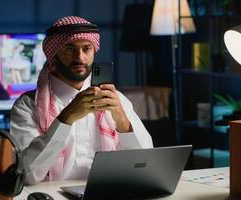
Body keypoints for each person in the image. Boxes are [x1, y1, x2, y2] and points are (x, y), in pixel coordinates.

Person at [10, 16, 153, 185]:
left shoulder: (116, 100)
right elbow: (27, 175)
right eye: (69, 49)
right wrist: (65, 119)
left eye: (87, 49)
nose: (80, 57)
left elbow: (146, 164)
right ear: (53, 55)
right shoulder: (27, 106)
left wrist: (122, 121)